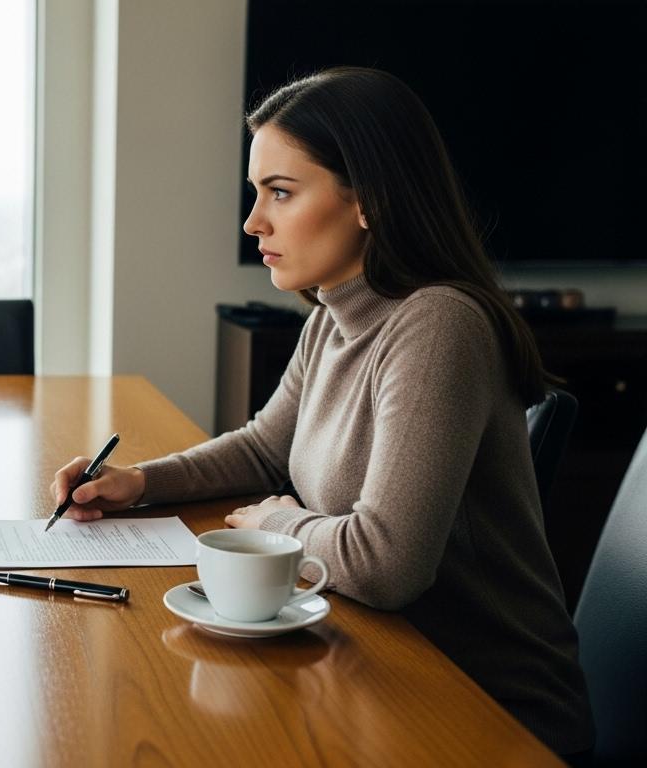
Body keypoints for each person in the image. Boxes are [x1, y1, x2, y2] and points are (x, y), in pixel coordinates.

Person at [51, 67, 593, 757]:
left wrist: (277, 523)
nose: (254, 221)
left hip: (486, 711)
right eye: (257, 193)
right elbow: (263, 449)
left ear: (368, 200)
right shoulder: (332, 316)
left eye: (280, 192)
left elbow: (386, 566)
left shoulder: (437, 326)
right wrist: (138, 482)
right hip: (384, 668)